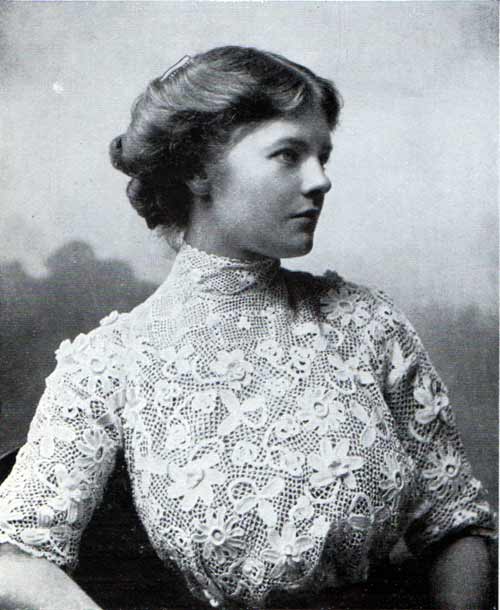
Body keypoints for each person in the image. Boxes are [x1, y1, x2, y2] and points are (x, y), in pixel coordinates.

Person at [0, 46, 495, 610]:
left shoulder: (366, 323)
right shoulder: (110, 364)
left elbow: (457, 523)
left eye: (323, 156)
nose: (321, 181)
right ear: (196, 171)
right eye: (288, 155)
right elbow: (13, 558)